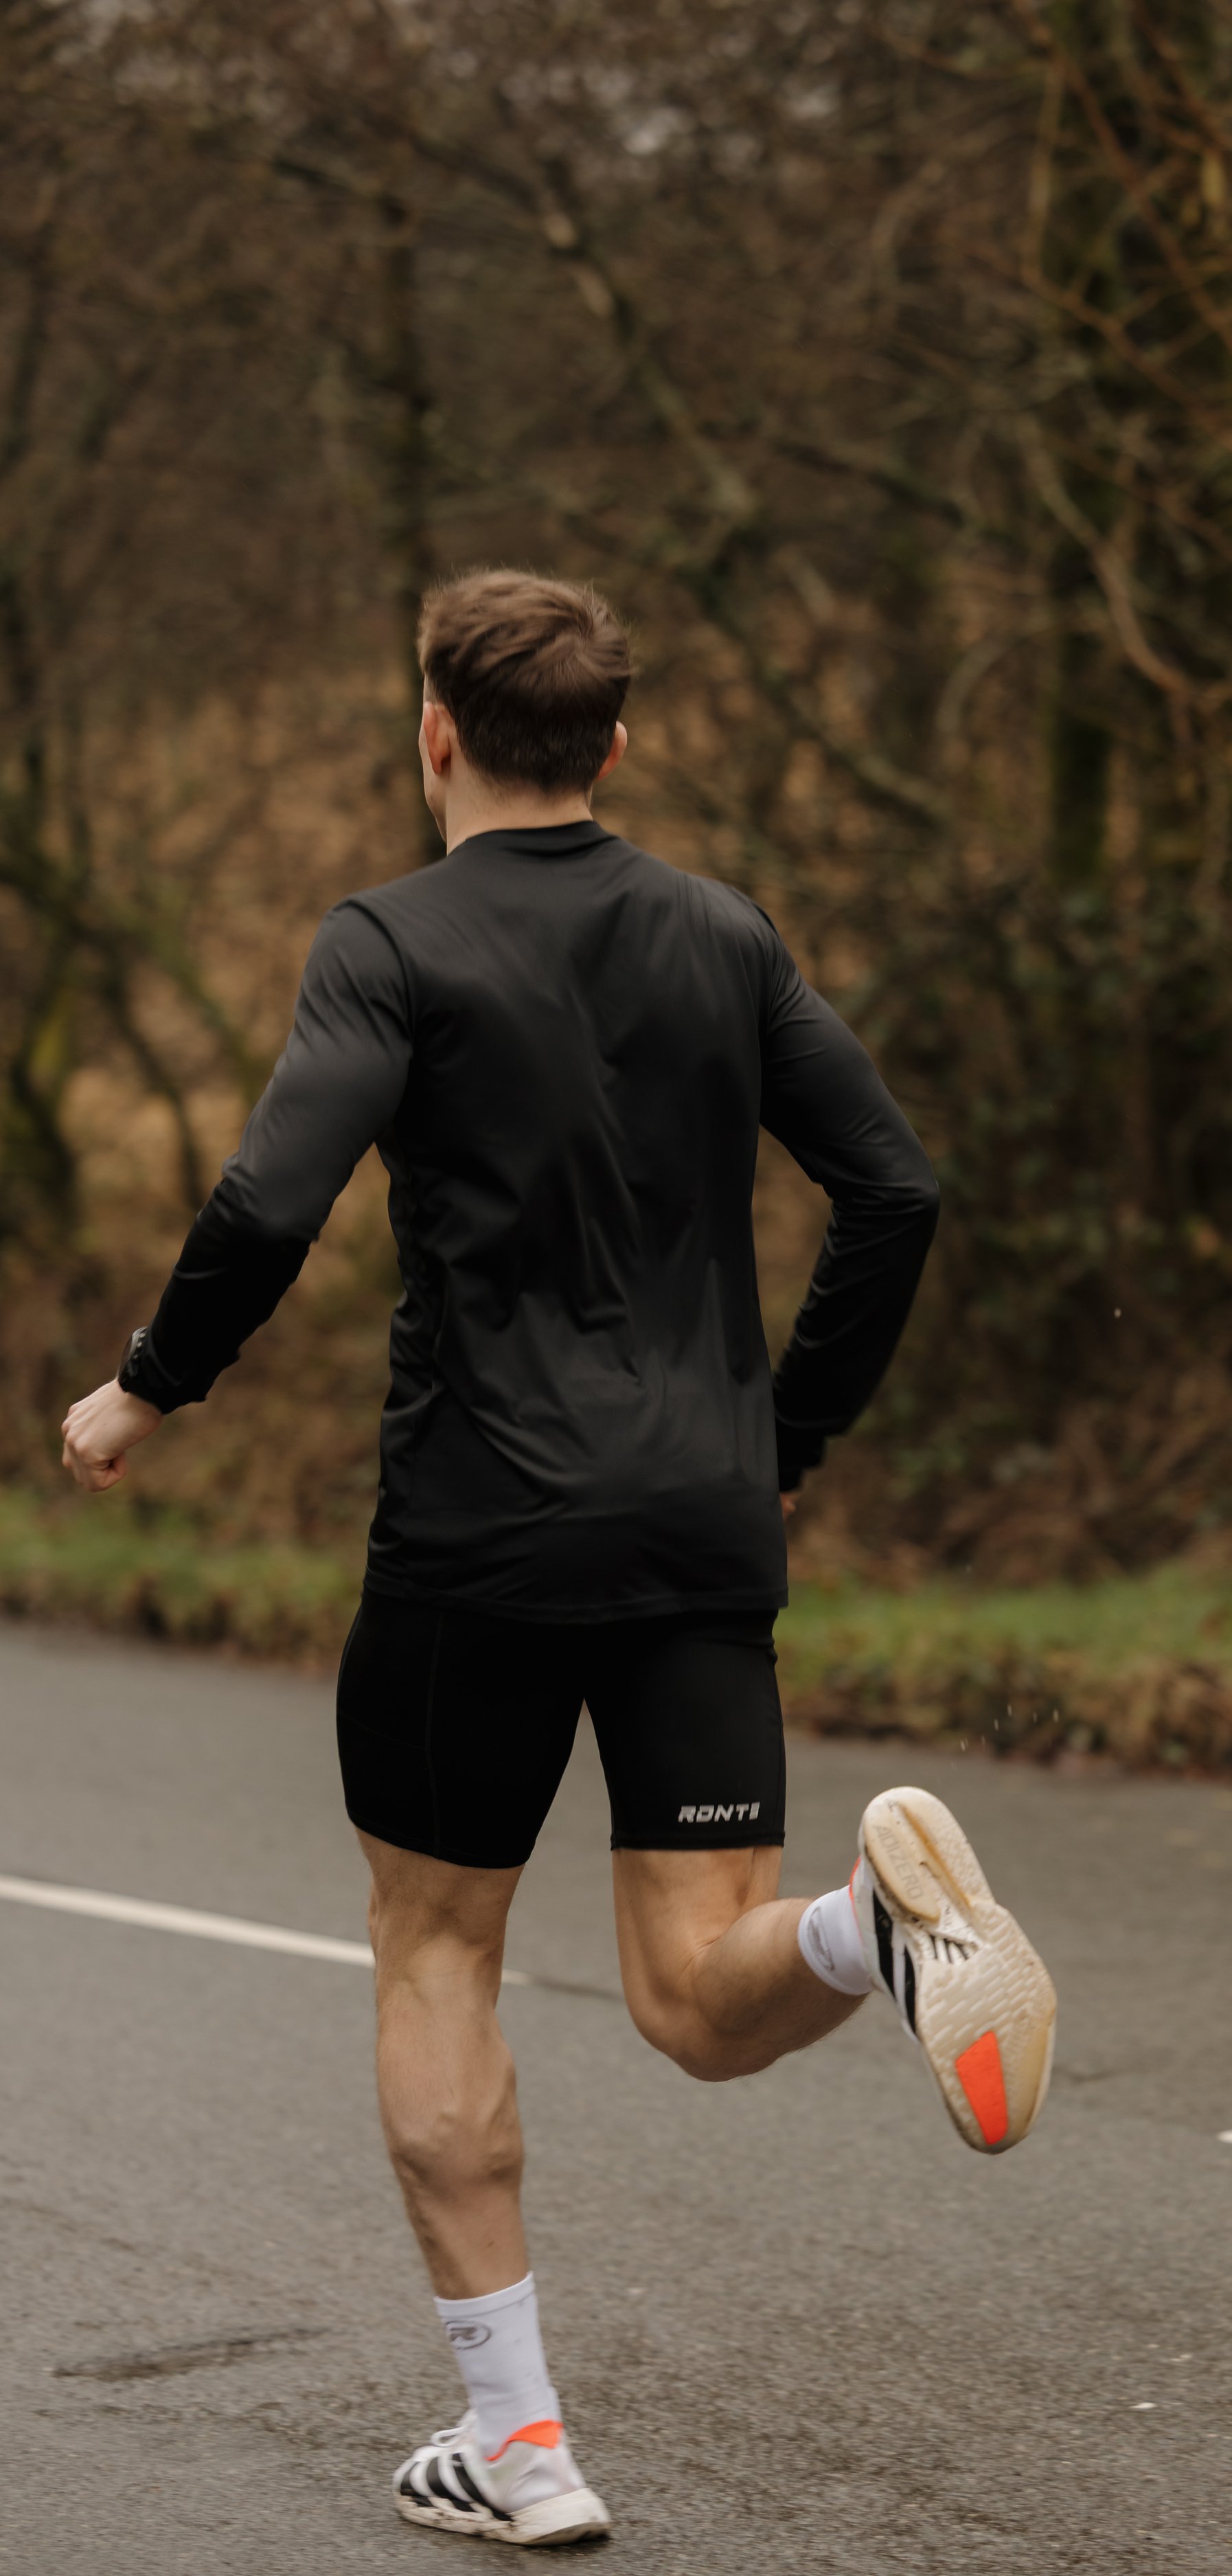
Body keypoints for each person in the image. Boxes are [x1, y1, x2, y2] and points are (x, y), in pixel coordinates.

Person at [60, 569, 1058, 2545]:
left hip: (478, 1535)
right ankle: (874, 1921)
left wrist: (148, 1385)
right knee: (699, 1993)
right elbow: (896, 1182)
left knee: (437, 1948)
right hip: (699, 1517)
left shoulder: (390, 943)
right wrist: (789, 1436)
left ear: (432, 728)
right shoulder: (720, 930)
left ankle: (521, 2443)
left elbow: (273, 1191)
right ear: (612, 741)